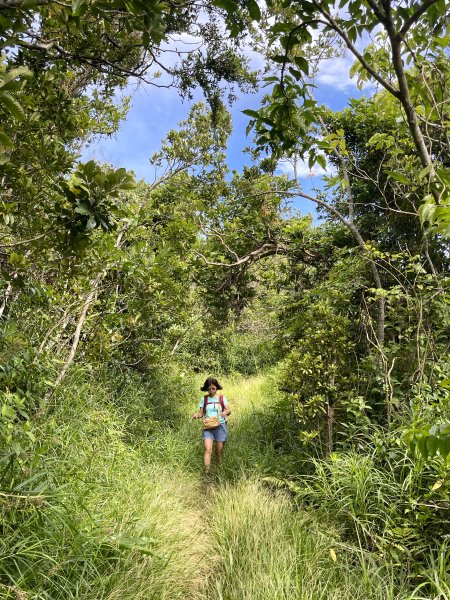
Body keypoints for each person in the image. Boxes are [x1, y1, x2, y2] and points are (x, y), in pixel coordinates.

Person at [192, 377, 231, 472]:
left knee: (219, 452)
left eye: (213, 388)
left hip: (220, 426)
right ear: (206, 388)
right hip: (208, 427)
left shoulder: (222, 398)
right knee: (207, 450)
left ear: (216, 388)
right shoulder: (204, 399)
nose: (211, 390)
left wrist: (225, 413)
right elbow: (201, 413)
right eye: (209, 389)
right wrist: (197, 415)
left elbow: (228, 410)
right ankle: (206, 472)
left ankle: (219, 470)